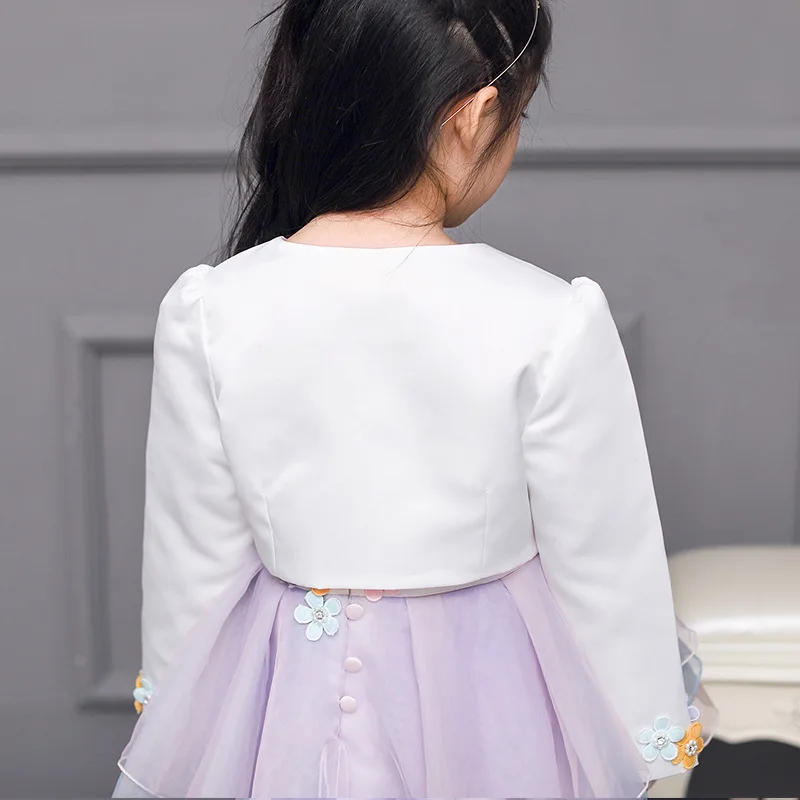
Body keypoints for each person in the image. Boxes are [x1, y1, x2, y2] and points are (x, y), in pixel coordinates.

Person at [112, 0, 717, 797]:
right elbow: (605, 570)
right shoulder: (550, 317)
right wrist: (645, 736)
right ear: (476, 115)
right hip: (491, 699)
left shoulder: (210, 307)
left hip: (282, 700)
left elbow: (192, 566)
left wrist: (179, 725)